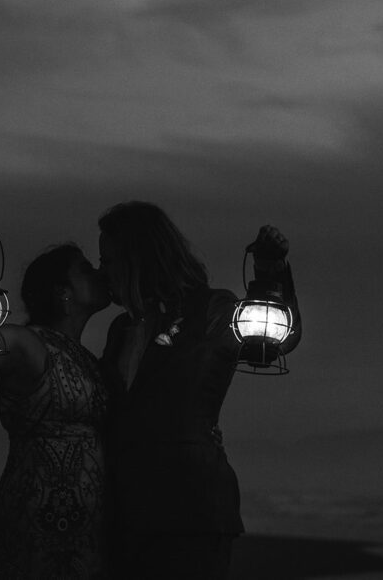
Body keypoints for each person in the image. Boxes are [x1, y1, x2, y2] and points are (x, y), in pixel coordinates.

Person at [96, 201, 302, 580]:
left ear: (138, 259)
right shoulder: (119, 329)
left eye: (108, 261)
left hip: (191, 508)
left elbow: (278, 342)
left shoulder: (210, 310)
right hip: (124, 508)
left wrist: (270, 271)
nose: (101, 272)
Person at [0, 220, 112, 579]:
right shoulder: (29, 345)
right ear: (63, 292)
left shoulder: (88, 359)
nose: (98, 274)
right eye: (86, 269)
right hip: (39, 517)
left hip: (89, 526)